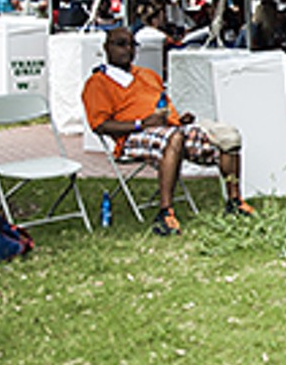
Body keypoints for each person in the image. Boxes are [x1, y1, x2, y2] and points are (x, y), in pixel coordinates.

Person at [82, 26, 254, 236]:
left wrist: (179, 118)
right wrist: (141, 124)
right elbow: (99, 125)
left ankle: (234, 201)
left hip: (170, 129)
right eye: (120, 44)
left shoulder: (147, 75)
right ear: (106, 48)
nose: (127, 50)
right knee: (175, 137)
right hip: (132, 136)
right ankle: (165, 212)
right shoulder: (98, 83)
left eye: (131, 45)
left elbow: (164, 108)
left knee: (227, 137)